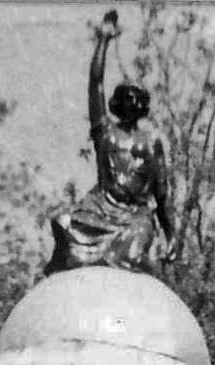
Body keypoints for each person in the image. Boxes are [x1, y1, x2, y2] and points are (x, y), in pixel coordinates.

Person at [45, 10, 176, 275]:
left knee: (129, 256)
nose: (132, 102)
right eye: (126, 97)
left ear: (143, 105)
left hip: (134, 216)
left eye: (136, 98)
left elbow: (161, 196)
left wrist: (171, 234)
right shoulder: (105, 133)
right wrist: (103, 39)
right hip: (99, 210)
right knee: (63, 221)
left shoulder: (152, 144)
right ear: (116, 103)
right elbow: (95, 83)